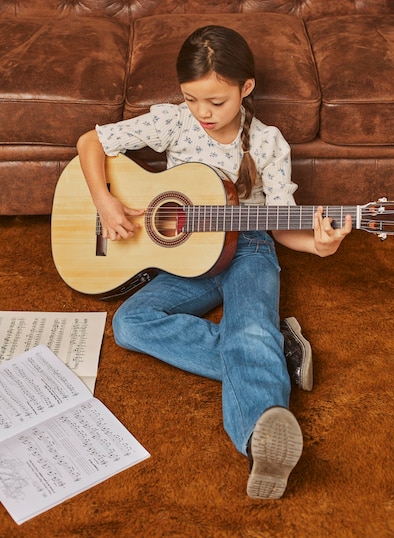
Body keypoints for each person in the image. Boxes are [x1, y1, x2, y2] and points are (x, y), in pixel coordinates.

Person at [77, 25, 352, 499]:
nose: (203, 112)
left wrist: (317, 245)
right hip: (185, 260)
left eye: (217, 102)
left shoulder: (268, 143)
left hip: (249, 249)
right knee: (130, 324)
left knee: (246, 328)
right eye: (192, 99)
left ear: (245, 88)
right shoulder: (173, 122)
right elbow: (91, 143)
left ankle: (259, 440)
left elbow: (283, 222)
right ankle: (275, 355)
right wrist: (104, 201)